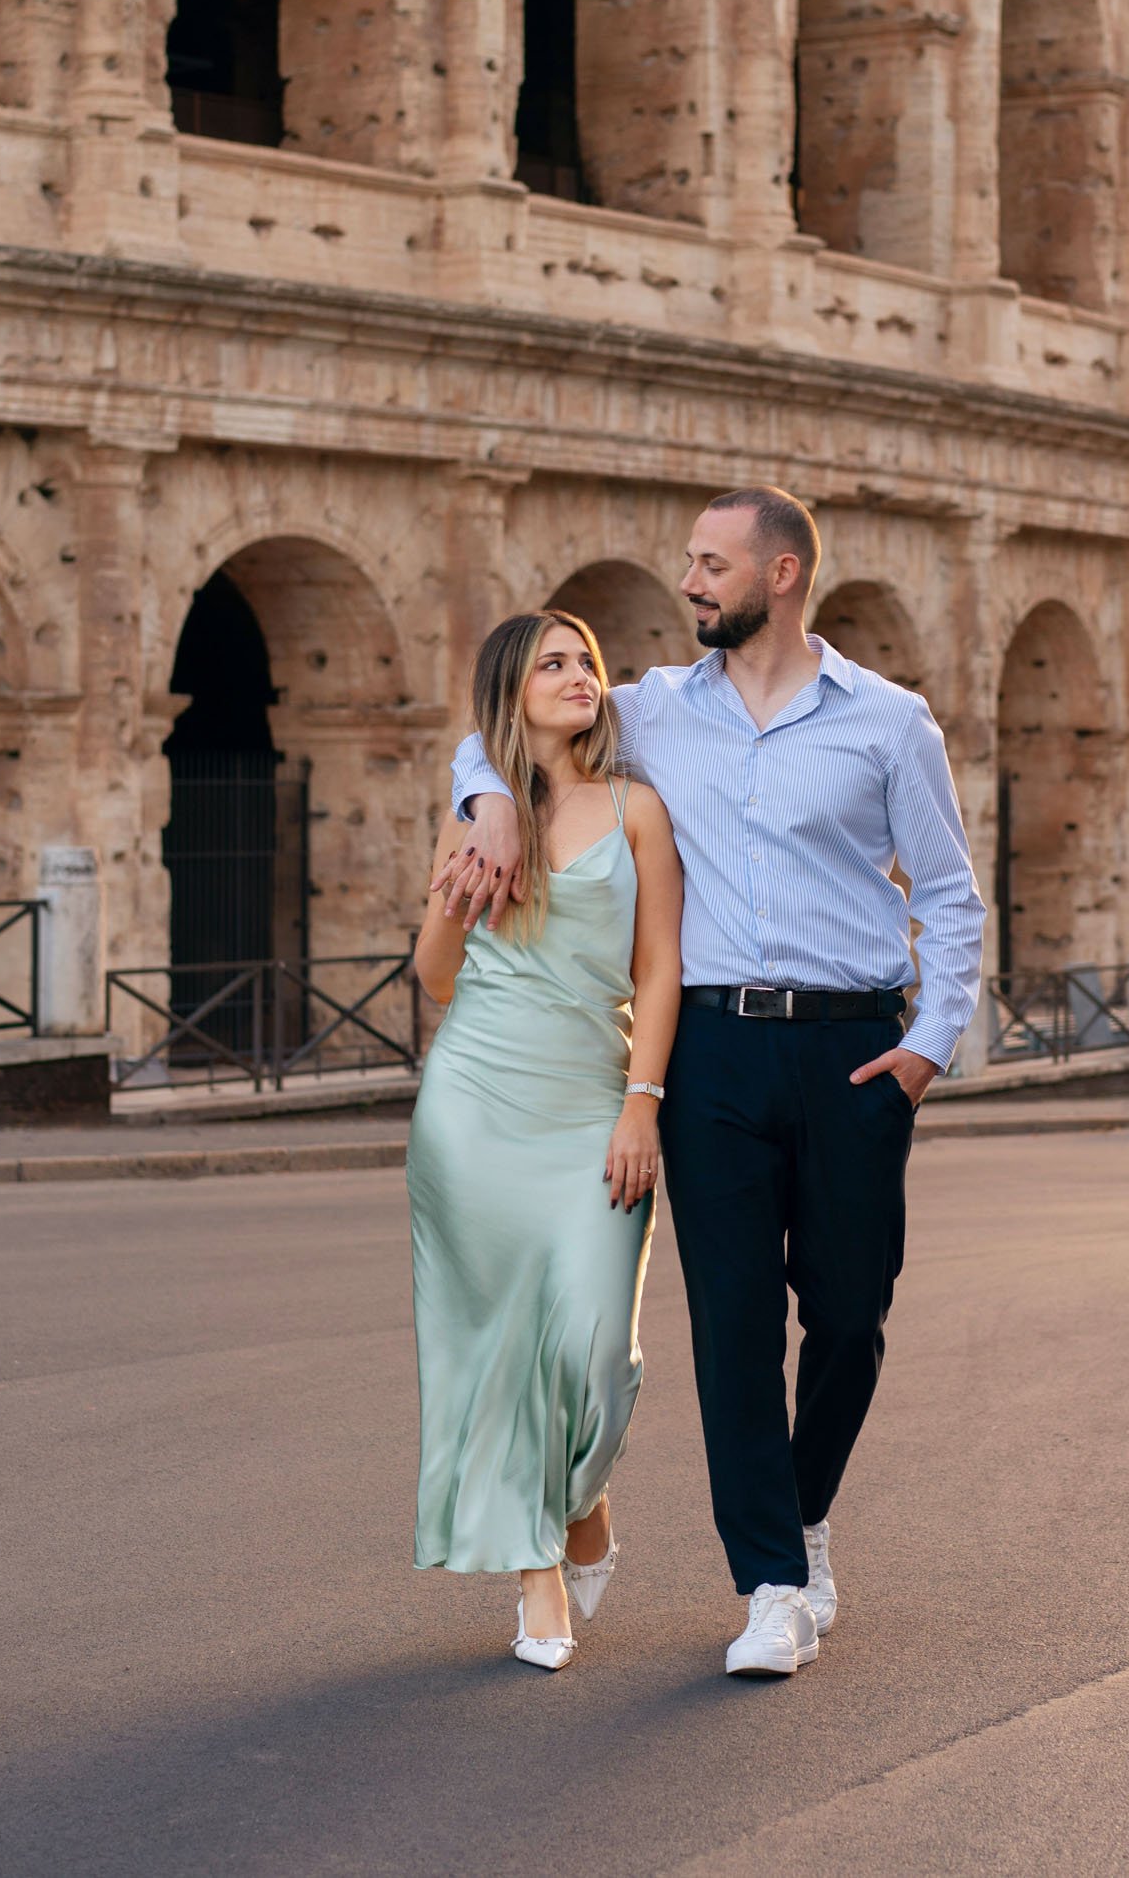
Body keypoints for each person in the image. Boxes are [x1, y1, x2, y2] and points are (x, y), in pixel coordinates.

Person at [440, 488, 985, 1678]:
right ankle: (772, 1584)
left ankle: (803, 1511)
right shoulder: (651, 709)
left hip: (852, 1048)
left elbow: (946, 895)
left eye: (709, 562)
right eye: (688, 560)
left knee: (847, 1314)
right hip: (710, 1047)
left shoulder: (889, 723)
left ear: (779, 575)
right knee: (732, 1322)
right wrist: (483, 799)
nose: (687, 580)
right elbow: (497, 725)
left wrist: (927, 1047)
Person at [409, 610, 682, 1672]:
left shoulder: (638, 810)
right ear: (509, 694)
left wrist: (641, 1100)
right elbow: (434, 975)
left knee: (591, 1352)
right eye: (551, 665)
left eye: (585, 663)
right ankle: (537, 1581)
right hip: (473, 1105)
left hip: (593, 1103)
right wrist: (461, 882)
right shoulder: (476, 818)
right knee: (496, 1351)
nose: (577, 677)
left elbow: (658, 968)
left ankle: (585, 1508)